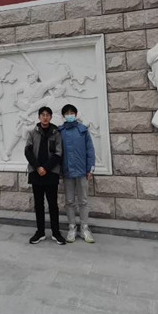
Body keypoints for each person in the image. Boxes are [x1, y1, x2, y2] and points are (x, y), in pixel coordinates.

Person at [24, 106, 66, 245]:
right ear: (39, 117)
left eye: (48, 115)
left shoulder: (56, 133)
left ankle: (56, 232)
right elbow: (28, 151)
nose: (45, 117)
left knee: (53, 204)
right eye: (43, 115)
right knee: (39, 204)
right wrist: (38, 167)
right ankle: (40, 232)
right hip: (36, 172)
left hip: (51, 172)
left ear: (51, 117)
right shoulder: (32, 132)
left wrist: (46, 168)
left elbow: (58, 153)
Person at [59, 104, 96, 243]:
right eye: (67, 113)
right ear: (63, 116)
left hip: (82, 171)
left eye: (72, 113)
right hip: (67, 171)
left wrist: (90, 168)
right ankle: (72, 227)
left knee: (83, 201)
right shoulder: (60, 131)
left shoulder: (83, 130)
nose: (69, 115)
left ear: (75, 114)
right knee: (69, 201)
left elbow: (90, 150)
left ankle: (85, 228)